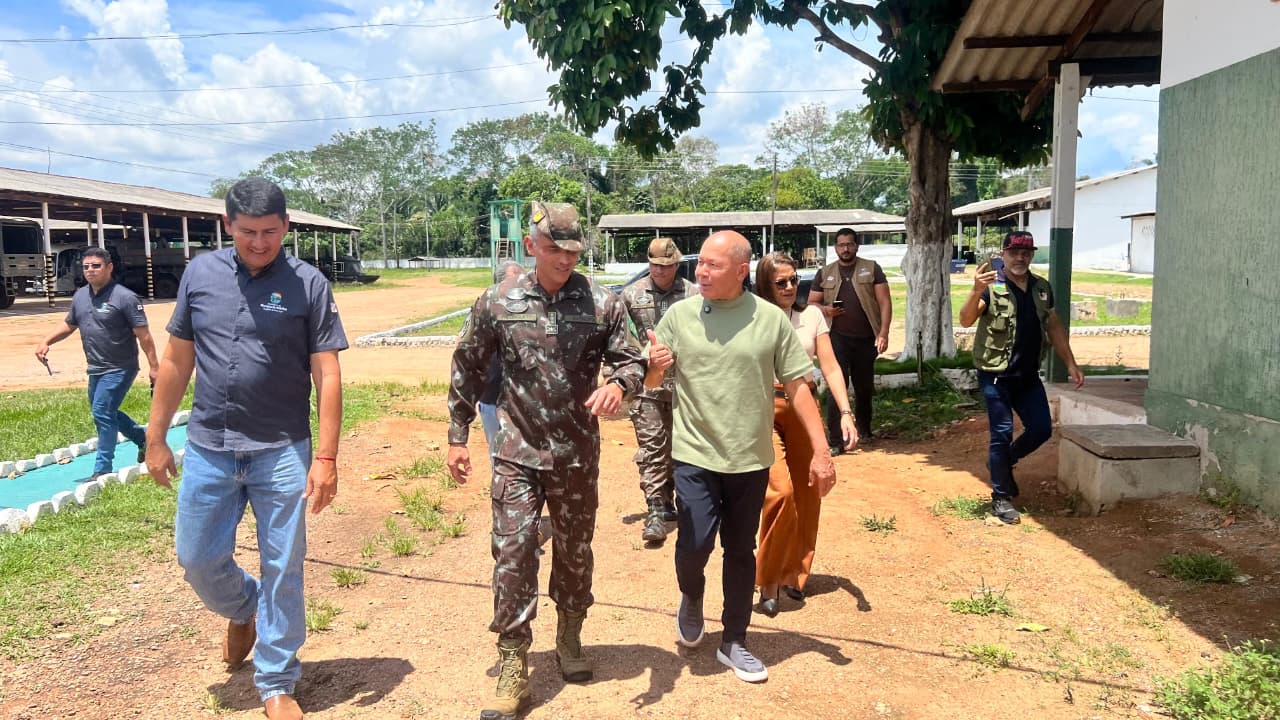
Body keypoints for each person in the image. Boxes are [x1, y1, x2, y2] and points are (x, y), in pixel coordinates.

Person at [145, 177, 347, 720]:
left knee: (285, 564)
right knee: (196, 557)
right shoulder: (200, 274)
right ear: (228, 226)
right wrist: (156, 435)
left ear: (286, 227)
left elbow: (327, 373)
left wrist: (326, 458)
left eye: (271, 232)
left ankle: (277, 682)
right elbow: (176, 360)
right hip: (210, 445)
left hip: (281, 448)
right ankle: (244, 606)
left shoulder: (308, 284)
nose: (260, 243)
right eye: (248, 232)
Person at [446, 202, 645, 720]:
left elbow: (632, 361)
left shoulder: (604, 303)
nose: (564, 258)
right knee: (512, 553)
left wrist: (618, 384)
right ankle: (513, 661)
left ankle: (570, 635)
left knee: (575, 552)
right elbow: (467, 363)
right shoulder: (498, 300)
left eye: (573, 250)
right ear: (532, 246)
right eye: (554, 248)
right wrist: (457, 433)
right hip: (516, 452)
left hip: (577, 454)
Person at [645, 231, 835, 684]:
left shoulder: (770, 320)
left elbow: (798, 386)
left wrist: (822, 451)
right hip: (694, 454)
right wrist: (655, 365)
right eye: (701, 263)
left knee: (739, 549)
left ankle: (734, 640)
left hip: (750, 458)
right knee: (693, 545)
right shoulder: (679, 316)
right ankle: (691, 596)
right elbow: (652, 383)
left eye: (713, 264)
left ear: (741, 270)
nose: (701, 272)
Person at [752, 252, 857, 616]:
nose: (790, 287)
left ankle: (794, 575)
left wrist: (845, 412)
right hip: (763, 407)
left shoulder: (811, 316)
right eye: (780, 282)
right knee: (779, 491)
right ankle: (766, 579)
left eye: (794, 280)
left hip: (803, 406)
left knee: (809, 491)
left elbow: (829, 365)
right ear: (764, 283)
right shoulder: (752, 315)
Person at [958, 230, 1084, 525]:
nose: (1020, 258)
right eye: (1014, 252)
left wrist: (1071, 363)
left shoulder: (1042, 288)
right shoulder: (992, 286)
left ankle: (1003, 462)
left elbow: (1053, 326)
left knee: (1041, 429)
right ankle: (1001, 497)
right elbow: (965, 320)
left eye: (1026, 253)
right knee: (1001, 432)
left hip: (1027, 376)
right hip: (996, 375)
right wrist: (976, 290)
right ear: (1003, 254)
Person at [36, 246, 159, 482]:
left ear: (109, 267)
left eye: (96, 266)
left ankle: (103, 468)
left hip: (121, 366)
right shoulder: (81, 296)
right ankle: (144, 440)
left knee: (102, 411)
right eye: (86, 267)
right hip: (95, 367)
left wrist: (154, 367)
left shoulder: (125, 297)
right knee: (104, 410)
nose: (90, 270)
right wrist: (46, 341)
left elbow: (144, 335)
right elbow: (70, 324)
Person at [619, 237, 699, 545]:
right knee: (652, 447)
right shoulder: (631, 295)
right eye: (654, 266)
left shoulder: (694, 294)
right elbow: (621, 340)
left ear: (676, 264)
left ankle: (681, 504)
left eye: (666, 266)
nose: (661, 272)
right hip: (648, 385)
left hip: (685, 386)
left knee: (682, 448)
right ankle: (654, 509)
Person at [808, 228, 891, 452]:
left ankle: (864, 429)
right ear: (835, 248)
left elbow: (884, 301)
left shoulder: (871, 268)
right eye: (841, 245)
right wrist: (825, 309)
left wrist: (883, 332)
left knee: (864, 387)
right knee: (838, 386)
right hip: (836, 338)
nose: (845, 249)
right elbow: (811, 303)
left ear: (857, 246)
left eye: (850, 244)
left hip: (866, 339)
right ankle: (836, 440)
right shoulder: (825, 273)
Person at [477, 260, 528, 452]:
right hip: (493, 400)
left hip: (528, 404)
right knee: (499, 456)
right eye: (514, 283)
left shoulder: (538, 314)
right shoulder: (484, 311)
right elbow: (466, 354)